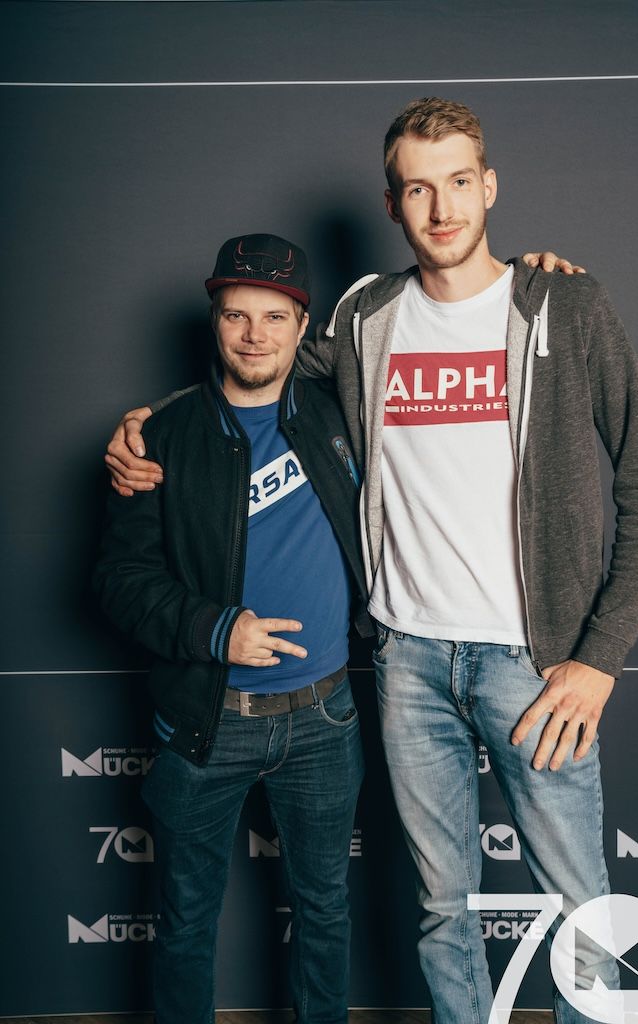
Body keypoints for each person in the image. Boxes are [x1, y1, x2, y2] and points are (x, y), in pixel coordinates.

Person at [104, 100, 638, 1023]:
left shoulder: (564, 306)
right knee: (442, 911)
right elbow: (257, 371)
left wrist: (598, 659)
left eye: (458, 182)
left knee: (579, 910)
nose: (441, 208)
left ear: (488, 187)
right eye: (418, 188)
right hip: (408, 662)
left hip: (534, 665)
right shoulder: (367, 318)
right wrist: (149, 422)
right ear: (391, 203)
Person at [94, 233, 371, 1024]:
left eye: (275, 317)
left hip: (323, 717)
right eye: (235, 316)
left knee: (324, 909)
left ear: (303, 327)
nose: (254, 335)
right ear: (213, 322)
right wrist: (218, 631)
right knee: (185, 919)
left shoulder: (342, 415)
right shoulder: (158, 438)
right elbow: (119, 581)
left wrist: (533, 272)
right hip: (206, 721)